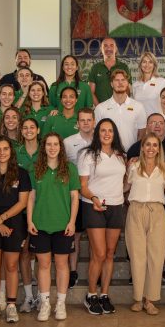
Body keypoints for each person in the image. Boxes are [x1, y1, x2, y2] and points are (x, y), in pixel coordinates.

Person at [28, 133, 80, 321]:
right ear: (44, 147)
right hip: (40, 224)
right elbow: (31, 197)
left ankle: (60, 304)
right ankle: (45, 304)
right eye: (48, 144)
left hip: (63, 225)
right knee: (43, 265)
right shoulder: (35, 169)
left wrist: (72, 222)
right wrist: (29, 221)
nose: (52, 147)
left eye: (55, 144)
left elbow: (75, 198)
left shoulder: (70, 169)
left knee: (61, 265)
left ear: (60, 147)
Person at [124, 133, 165, 315]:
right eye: (148, 144)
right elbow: (125, 187)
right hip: (136, 211)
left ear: (159, 149)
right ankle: (138, 298)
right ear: (142, 147)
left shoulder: (164, 168)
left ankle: (150, 300)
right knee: (137, 256)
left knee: (156, 257)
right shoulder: (134, 166)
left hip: (157, 212)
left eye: (155, 145)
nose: (151, 148)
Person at [78, 118, 127, 315]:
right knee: (98, 254)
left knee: (109, 253)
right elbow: (82, 186)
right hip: (94, 206)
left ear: (114, 134)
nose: (107, 134)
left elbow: (123, 183)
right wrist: (94, 198)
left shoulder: (120, 156)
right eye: (103, 130)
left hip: (116, 206)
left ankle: (104, 294)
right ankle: (91, 295)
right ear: (97, 133)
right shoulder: (88, 154)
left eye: (110, 131)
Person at [127, 113, 165, 285]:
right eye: (153, 122)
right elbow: (125, 186)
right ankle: (137, 279)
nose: (157, 125)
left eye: (160, 122)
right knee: (138, 248)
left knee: (160, 245)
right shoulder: (134, 158)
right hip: (138, 207)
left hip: (161, 206)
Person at [0, 136, 31, 324]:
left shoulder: (21, 173)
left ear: (11, 151)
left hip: (13, 223)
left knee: (11, 266)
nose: (1, 153)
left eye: (5, 149)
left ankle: (11, 305)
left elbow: (23, 202)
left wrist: (2, 219)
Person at [64, 108, 96, 288]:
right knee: (74, 235)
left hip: (94, 196)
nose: (85, 123)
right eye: (82, 120)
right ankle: (73, 271)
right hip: (75, 196)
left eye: (89, 120)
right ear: (77, 123)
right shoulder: (68, 142)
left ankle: (95, 271)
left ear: (94, 121)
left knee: (94, 236)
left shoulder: (100, 140)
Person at [15, 117, 41, 313]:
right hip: (21, 209)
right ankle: (28, 297)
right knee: (24, 252)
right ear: (21, 131)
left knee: (41, 254)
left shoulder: (46, 150)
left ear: (38, 130)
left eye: (32, 127)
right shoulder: (16, 152)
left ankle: (41, 295)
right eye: (25, 128)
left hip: (43, 209)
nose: (29, 130)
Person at [94, 69, 147, 151]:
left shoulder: (138, 107)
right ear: (111, 84)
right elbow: (96, 134)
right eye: (117, 80)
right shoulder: (100, 108)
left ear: (127, 83)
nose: (120, 83)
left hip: (131, 155)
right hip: (109, 155)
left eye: (123, 80)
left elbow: (142, 133)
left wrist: (135, 152)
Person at [88, 37, 131, 105]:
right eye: (105, 46)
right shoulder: (95, 68)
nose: (108, 48)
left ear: (116, 49)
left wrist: (121, 106)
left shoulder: (124, 67)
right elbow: (91, 92)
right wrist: (99, 107)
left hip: (120, 107)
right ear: (101, 49)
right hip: (101, 108)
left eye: (111, 45)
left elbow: (127, 89)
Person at [132, 52, 165, 116]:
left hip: (156, 120)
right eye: (144, 62)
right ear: (140, 65)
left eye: (150, 62)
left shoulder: (162, 82)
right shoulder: (135, 85)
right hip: (139, 121)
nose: (147, 65)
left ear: (154, 65)